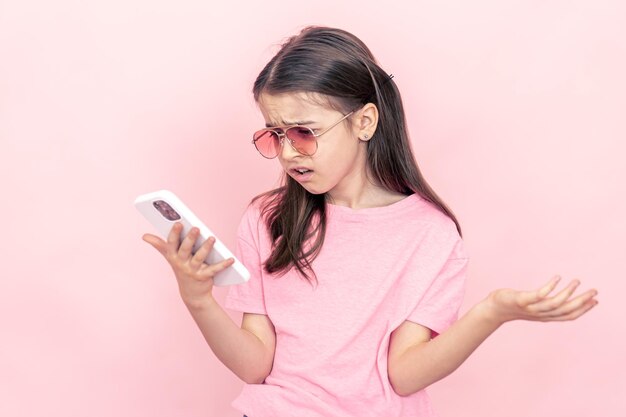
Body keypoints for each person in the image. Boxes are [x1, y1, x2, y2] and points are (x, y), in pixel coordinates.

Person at [142, 26, 599, 417]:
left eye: (303, 132)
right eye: (274, 134)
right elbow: (255, 365)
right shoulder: (268, 219)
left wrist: (492, 312)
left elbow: (403, 375)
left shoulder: (430, 235)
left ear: (364, 122)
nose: (286, 152)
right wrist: (199, 299)